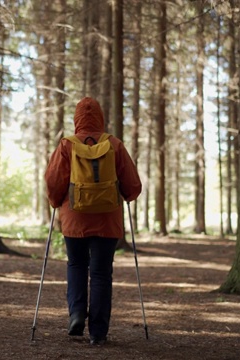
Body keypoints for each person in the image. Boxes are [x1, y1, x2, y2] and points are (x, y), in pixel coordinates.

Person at [44, 97, 142, 345]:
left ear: (77, 119)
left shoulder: (67, 145)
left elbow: (54, 181)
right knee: (100, 273)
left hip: (74, 218)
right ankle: (98, 332)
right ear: (100, 117)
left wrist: (55, 201)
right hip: (107, 221)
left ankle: (76, 314)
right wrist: (129, 195)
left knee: (76, 265)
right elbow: (132, 183)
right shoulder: (114, 145)